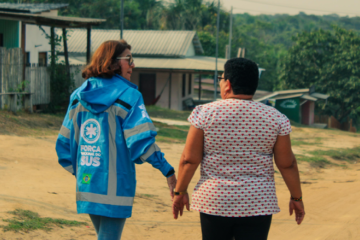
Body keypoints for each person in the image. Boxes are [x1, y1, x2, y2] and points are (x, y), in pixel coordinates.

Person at [55, 40, 177, 240]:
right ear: (112, 61)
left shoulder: (77, 96)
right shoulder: (130, 96)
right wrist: (168, 171)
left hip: (87, 183)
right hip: (116, 186)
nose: (133, 65)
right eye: (128, 59)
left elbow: (63, 146)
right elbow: (141, 143)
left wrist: (84, 173)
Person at [172, 58, 305, 240]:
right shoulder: (276, 118)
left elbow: (189, 159)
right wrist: (296, 198)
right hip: (258, 204)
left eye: (221, 78)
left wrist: (179, 192)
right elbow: (287, 164)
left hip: (215, 201)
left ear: (228, 84)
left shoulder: (205, 113)